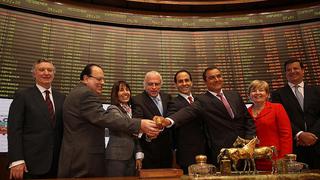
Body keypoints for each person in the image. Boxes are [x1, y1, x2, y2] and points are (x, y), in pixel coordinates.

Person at [58, 64, 160, 178]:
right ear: (86, 78)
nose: (103, 82)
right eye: (99, 79)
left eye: (103, 79)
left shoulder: (77, 92)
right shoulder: (85, 94)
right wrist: (140, 124)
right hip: (82, 160)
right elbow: (106, 118)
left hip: (79, 157)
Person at [162, 66, 256, 166]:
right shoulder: (202, 100)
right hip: (222, 152)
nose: (216, 80)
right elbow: (188, 111)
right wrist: (168, 121)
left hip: (244, 149)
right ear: (205, 81)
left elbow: (248, 119)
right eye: (212, 78)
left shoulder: (235, 95)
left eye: (219, 76)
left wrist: (249, 141)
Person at [7, 59, 66, 179]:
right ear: (34, 74)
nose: (46, 73)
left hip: (56, 164)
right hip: (30, 164)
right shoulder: (23, 95)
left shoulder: (62, 97)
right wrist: (17, 160)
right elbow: (14, 129)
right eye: (41, 70)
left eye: (50, 70)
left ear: (54, 74)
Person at [271, 59, 320, 169]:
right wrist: (300, 134)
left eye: (296, 68)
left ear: (303, 70)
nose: (292, 71)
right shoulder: (277, 94)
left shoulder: (317, 91)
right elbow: (280, 119)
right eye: (288, 70)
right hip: (294, 147)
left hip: (317, 143)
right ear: (285, 74)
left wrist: (313, 135)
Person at [167, 69, 207, 174]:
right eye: (180, 81)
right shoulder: (173, 103)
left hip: (208, 151)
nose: (184, 84)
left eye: (187, 80)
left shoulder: (201, 100)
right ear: (176, 84)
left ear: (191, 82)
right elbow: (171, 125)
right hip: (188, 155)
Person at [247, 80, 292, 171]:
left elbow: (286, 135)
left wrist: (284, 157)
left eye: (261, 90)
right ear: (249, 95)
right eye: (254, 90)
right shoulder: (246, 112)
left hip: (275, 157)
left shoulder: (277, 108)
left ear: (267, 94)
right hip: (254, 160)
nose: (257, 93)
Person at [132, 71, 173, 169]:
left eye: (157, 84)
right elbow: (138, 124)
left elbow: (171, 117)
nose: (154, 87)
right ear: (145, 85)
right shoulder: (137, 100)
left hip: (167, 150)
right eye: (150, 84)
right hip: (149, 151)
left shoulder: (167, 97)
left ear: (161, 85)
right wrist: (148, 135)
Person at [105, 80, 143, 177]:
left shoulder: (131, 111)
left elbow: (134, 136)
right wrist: (142, 126)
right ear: (115, 94)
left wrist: (138, 155)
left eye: (127, 89)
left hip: (131, 158)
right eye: (121, 90)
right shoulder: (112, 109)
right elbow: (123, 123)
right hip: (116, 157)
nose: (126, 92)